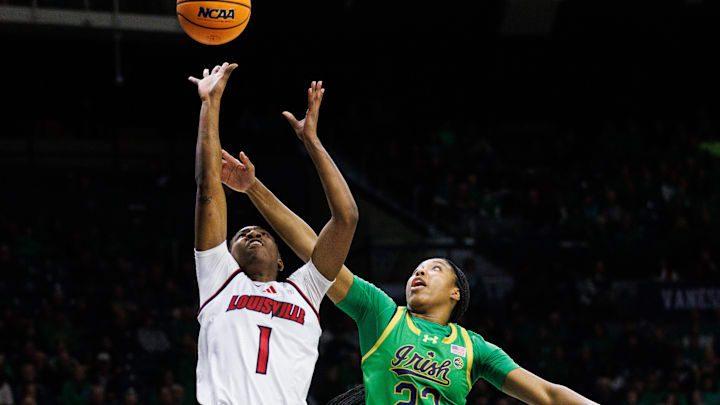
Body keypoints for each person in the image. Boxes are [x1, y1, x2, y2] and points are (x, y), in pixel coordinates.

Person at [221, 143, 598, 404]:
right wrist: (253, 188)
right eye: (416, 269)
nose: (420, 274)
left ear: (456, 294)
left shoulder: (475, 349)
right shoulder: (381, 313)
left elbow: (548, 395)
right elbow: (317, 252)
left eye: (435, 269)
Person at [189, 64, 358, 404]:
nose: (252, 233)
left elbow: (346, 218)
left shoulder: (305, 291)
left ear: (282, 262)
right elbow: (208, 188)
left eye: (262, 233)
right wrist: (211, 103)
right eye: (241, 235)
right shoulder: (219, 280)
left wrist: (311, 141)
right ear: (227, 257)